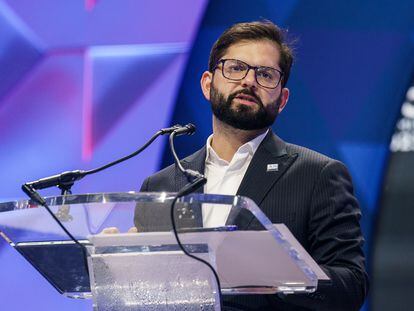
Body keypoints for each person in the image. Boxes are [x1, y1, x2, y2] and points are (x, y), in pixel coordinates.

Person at [140, 21, 368, 311]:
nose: (249, 81)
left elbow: (352, 285)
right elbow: (144, 294)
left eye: (266, 74)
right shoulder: (160, 186)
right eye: (236, 68)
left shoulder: (317, 175)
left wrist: (283, 272)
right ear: (208, 84)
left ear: (282, 99)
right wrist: (116, 263)